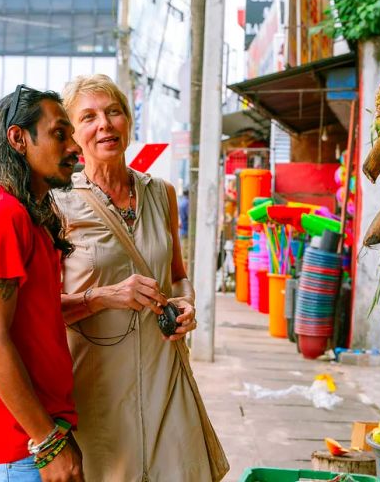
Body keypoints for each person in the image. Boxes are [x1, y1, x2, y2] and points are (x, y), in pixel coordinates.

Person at [54, 74, 228, 481]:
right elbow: (42, 310)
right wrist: (104, 296)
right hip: (96, 387)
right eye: (89, 117)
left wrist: (185, 304)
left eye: (114, 112)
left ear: (129, 121)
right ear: (74, 135)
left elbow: (178, 276)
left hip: (164, 374)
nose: (105, 125)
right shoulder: (58, 203)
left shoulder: (161, 193)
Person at [0, 85, 84, 482]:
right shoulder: (1, 217)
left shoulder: (30, 218)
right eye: (59, 133)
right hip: (19, 451)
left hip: (37, 440)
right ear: (18, 138)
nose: (74, 147)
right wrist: (47, 443)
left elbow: (35, 318)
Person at [178, 188, 190, 262]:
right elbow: (189, 217)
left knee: (183, 252)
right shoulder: (187, 203)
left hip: (182, 230)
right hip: (186, 230)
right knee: (186, 255)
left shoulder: (181, 202)